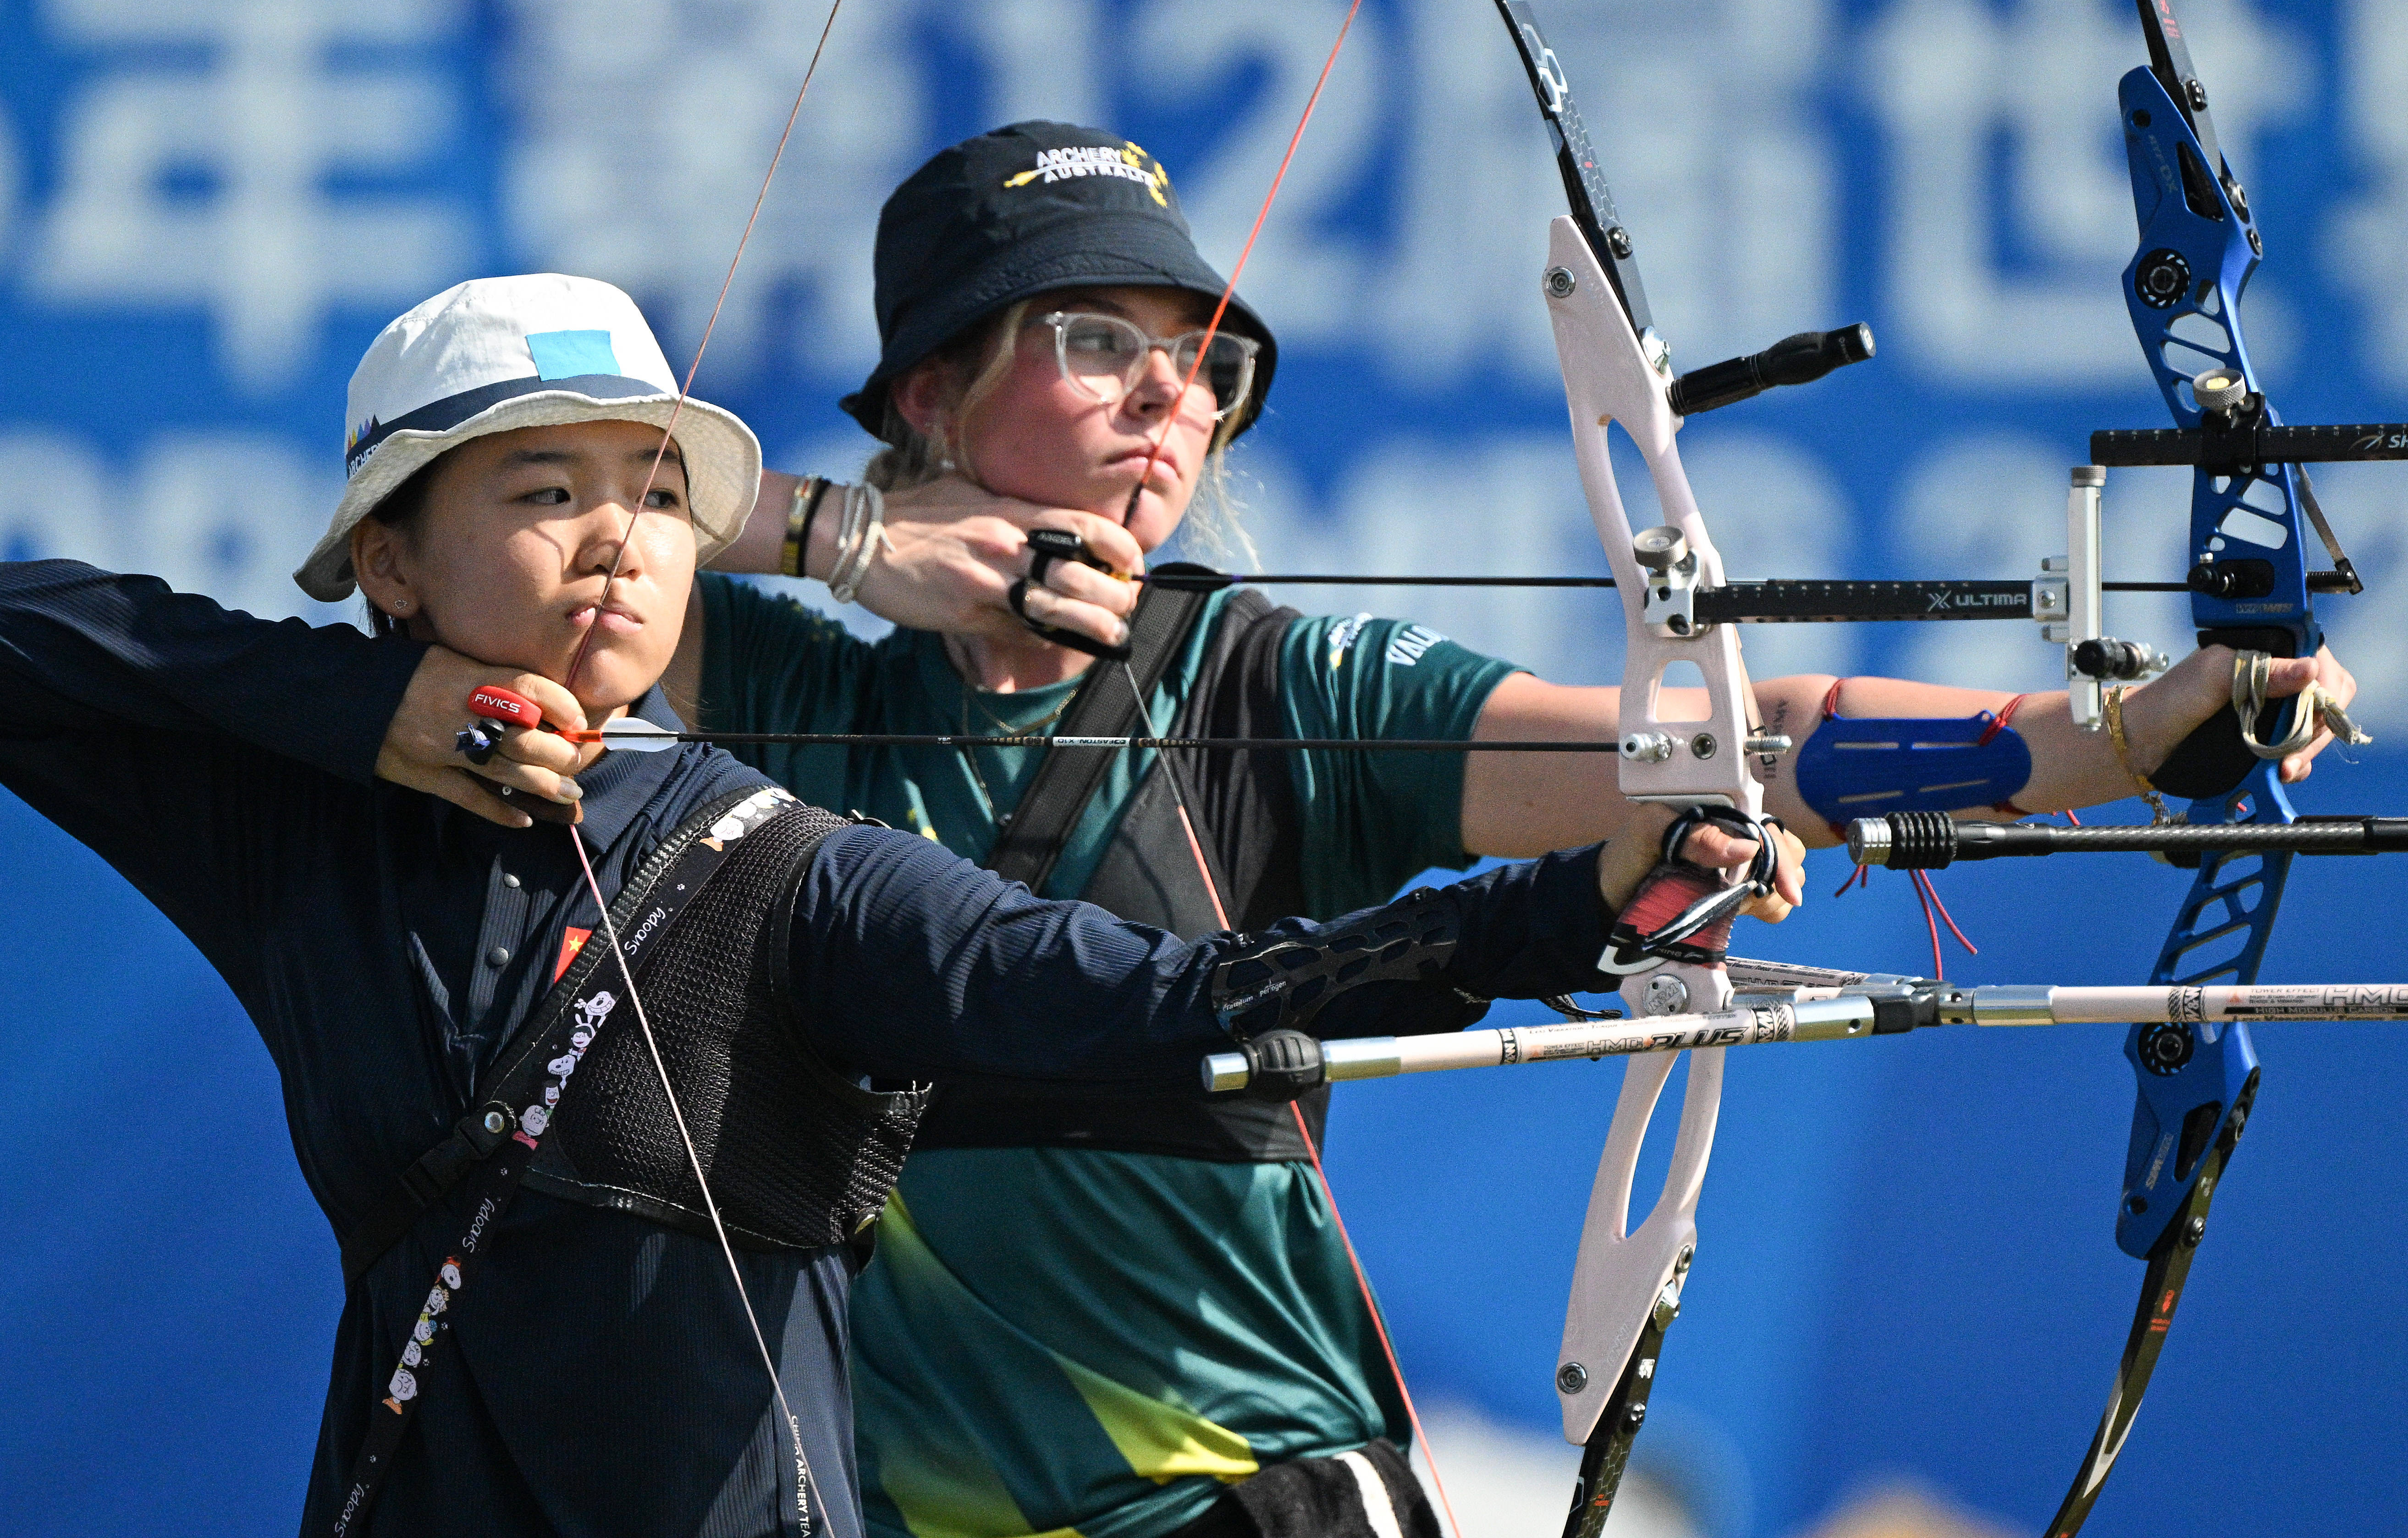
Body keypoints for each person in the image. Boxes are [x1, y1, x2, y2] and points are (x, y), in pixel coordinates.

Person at [367, 126, 2359, 1538]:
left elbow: (1729, 741)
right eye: (1096, 345)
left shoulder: (1264, 693)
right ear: (929, 391)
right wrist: (851, 536)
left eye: (1204, 364)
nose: (1175, 403)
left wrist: (2117, 737)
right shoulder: (784, 685)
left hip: (1249, 1499)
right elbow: (535, 502)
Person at [0, 272, 1806, 1538]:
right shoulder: (304, 841)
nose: (623, 534)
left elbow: (1169, 1008)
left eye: (655, 493)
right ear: (389, 557)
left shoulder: (783, 861)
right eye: (546, 490)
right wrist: (369, 708)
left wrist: (1569, 910)